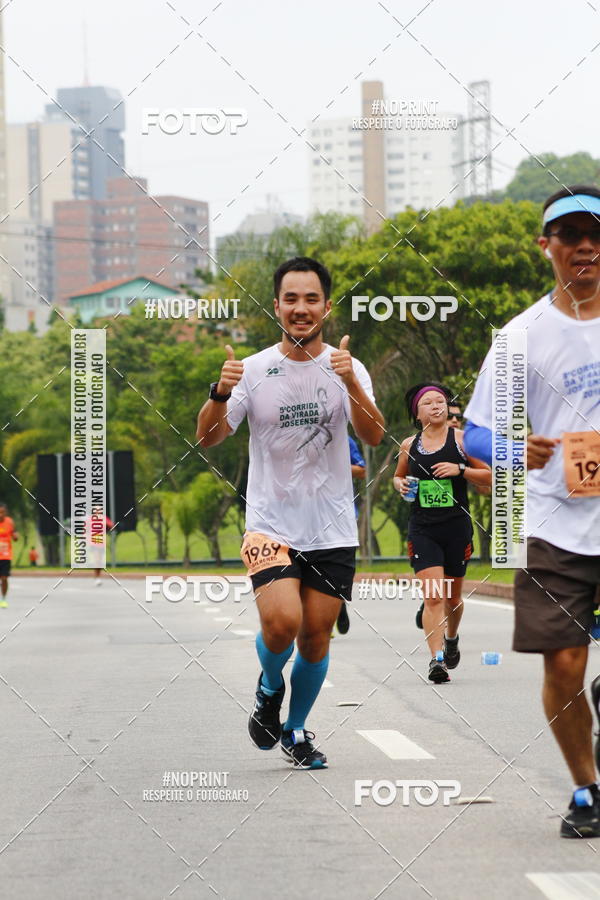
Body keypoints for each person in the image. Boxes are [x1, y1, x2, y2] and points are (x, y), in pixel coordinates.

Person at [197, 256, 384, 769]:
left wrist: (351, 383)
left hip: (331, 528)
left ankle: (296, 730)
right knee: (282, 623)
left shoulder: (348, 367)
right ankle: (267, 686)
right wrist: (221, 392)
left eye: (312, 299)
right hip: (270, 523)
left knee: (316, 637)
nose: (301, 309)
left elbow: (371, 435)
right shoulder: (253, 370)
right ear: (276, 305)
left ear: (326, 305)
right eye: (291, 299)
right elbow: (208, 437)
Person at [464, 185, 600, 838]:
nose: (585, 247)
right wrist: (520, 448)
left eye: (596, 235)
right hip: (552, 521)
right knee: (565, 665)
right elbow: (477, 434)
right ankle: (587, 790)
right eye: (570, 235)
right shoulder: (521, 337)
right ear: (545, 245)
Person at [393, 383, 491, 683]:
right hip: (422, 529)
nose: (436, 406)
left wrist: (460, 471)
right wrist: (401, 486)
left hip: (456, 528)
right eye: (428, 403)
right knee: (434, 597)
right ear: (418, 413)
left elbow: (489, 476)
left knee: (452, 598)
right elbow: (398, 477)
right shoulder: (409, 445)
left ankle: (451, 638)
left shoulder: (461, 441)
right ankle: (437, 660)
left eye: (441, 402)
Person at [336, 435, 366, 635]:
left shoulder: (344, 440)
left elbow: (361, 470)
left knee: (338, 567)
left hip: (339, 513)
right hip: (300, 514)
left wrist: (332, 467)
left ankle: (338, 600)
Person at [0, 504, 19, 607]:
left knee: (4, 578)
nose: (0, 515)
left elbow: (15, 535)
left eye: (2, 512)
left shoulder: (9, 522)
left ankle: (3, 599)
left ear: (5, 513)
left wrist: (16, 536)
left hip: (5, 556)